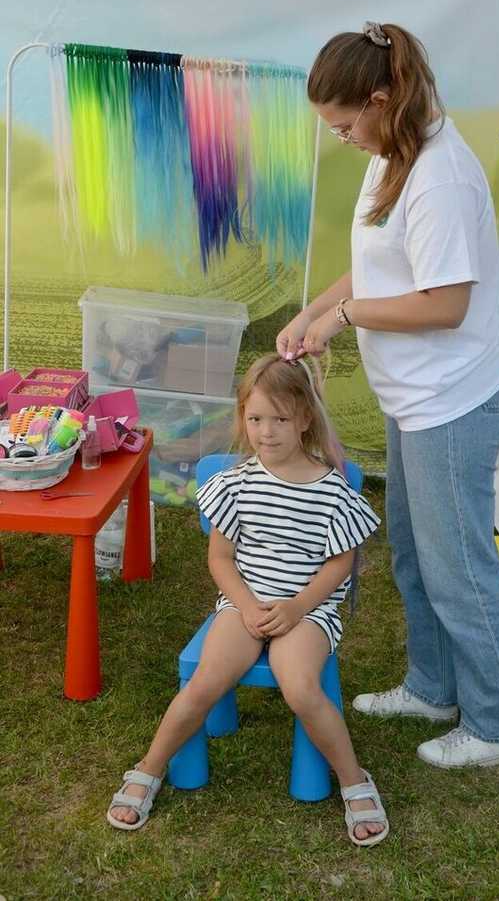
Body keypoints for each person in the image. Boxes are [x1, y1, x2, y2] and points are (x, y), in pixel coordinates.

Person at [276, 21, 499, 768]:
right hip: (414, 399)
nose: (343, 137)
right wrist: (314, 310)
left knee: (460, 567)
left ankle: (498, 726)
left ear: (382, 98)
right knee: (416, 558)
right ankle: (432, 685)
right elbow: (376, 264)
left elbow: (444, 302)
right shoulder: (391, 152)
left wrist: (344, 318)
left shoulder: (440, 175)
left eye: (346, 123)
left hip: (452, 404)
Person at [107, 353, 388, 847]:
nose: (266, 431)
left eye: (279, 419)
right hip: (243, 604)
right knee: (205, 681)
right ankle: (149, 769)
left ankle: (353, 779)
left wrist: (297, 607)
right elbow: (221, 560)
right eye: (255, 419)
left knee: (300, 687)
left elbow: (339, 564)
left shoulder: (332, 491)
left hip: (308, 611)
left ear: (304, 418)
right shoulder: (237, 484)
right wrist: (246, 604)